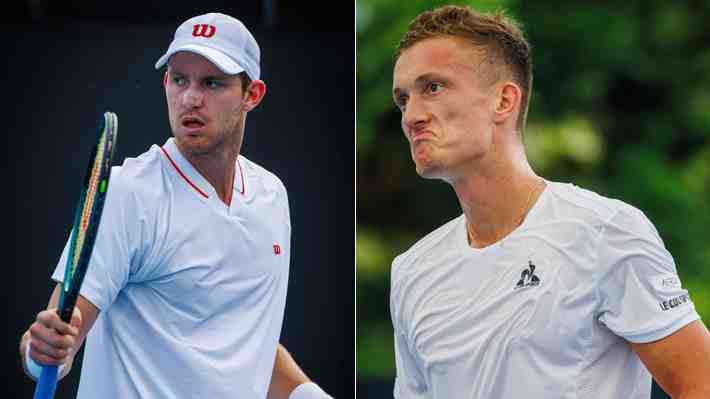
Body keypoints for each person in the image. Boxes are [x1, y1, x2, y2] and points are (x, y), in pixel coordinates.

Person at [389, 5, 710, 398]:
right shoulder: (410, 272)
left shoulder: (606, 233)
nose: (412, 116)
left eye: (432, 87)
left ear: (504, 101)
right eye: (403, 99)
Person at [19, 12, 332, 399]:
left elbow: (247, 348)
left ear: (252, 94)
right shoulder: (128, 193)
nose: (190, 98)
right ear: (166, 81)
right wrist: (41, 352)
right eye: (179, 79)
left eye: (212, 83)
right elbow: (59, 334)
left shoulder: (271, 197)